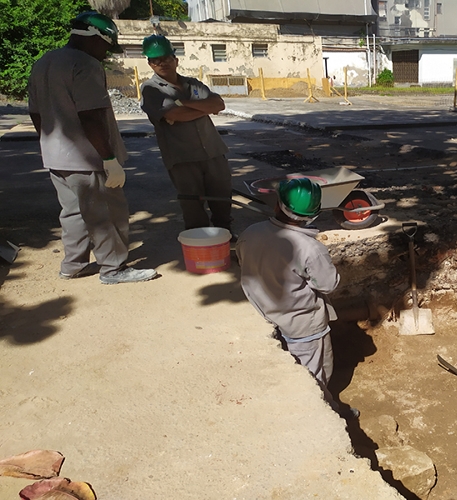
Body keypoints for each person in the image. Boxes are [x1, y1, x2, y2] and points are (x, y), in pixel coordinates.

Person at [27, 11, 157, 285]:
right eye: (107, 46)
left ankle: (72, 265)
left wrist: (50, 144)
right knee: (107, 215)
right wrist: (109, 159)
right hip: (88, 158)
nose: (106, 53)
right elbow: (91, 115)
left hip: (55, 157)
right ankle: (113, 269)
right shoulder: (85, 64)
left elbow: (36, 114)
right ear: (96, 38)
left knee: (72, 212)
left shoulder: (43, 62)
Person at [236, 178, 359, 420]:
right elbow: (328, 284)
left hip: (266, 317)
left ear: (276, 206)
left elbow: (243, 261)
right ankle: (322, 418)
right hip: (303, 327)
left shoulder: (250, 233)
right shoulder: (309, 248)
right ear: (312, 216)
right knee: (314, 378)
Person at [139, 34, 232, 233]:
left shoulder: (193, 84)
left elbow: (219, 104)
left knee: (223, 201)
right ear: (150, 64)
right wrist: (203, 108)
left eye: (166, 57)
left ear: (176, 59)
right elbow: (175, 114)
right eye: (156, 60)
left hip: (213, 152)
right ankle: (200, 246)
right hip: (183, 158)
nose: (162, 63)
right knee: (193, 207)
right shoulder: (150, 89)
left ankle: (225, 237)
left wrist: (184, 103)